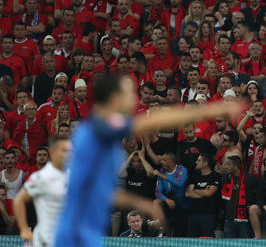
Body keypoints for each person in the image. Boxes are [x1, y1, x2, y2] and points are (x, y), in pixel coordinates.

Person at [55, 74, 243, 247]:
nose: (133, 98)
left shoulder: (101, 129)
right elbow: (151, 121)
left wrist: (142, 204)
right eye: (128, 93)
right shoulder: (100, 129)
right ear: (115, 97)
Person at [13, 135, 71, 247]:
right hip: (45, 240)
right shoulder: (41, 177)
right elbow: (18, 201)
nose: (68, 154)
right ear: (53, 153)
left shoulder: (72, 176)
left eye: (69, 150)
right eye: (64, 150)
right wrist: (24, 229)